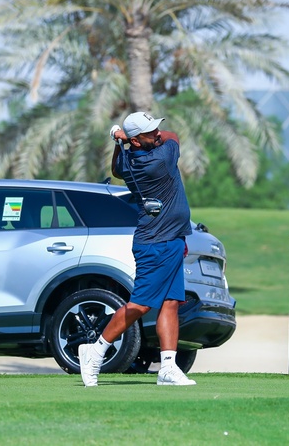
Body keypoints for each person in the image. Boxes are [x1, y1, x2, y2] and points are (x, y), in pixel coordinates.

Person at [78, 111, 195, 387]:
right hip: (156, 244)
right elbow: (174, 136)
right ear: (136, 140)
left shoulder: (128, 161)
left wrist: (119, 141)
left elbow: (115, 169)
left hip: (171, 239)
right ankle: (95, 351)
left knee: (170, 302)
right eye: (150, 132)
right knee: (140, 305)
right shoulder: (160, 159)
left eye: (156, 128)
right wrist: (122, 138)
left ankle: (168, 367)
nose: (158, 133)